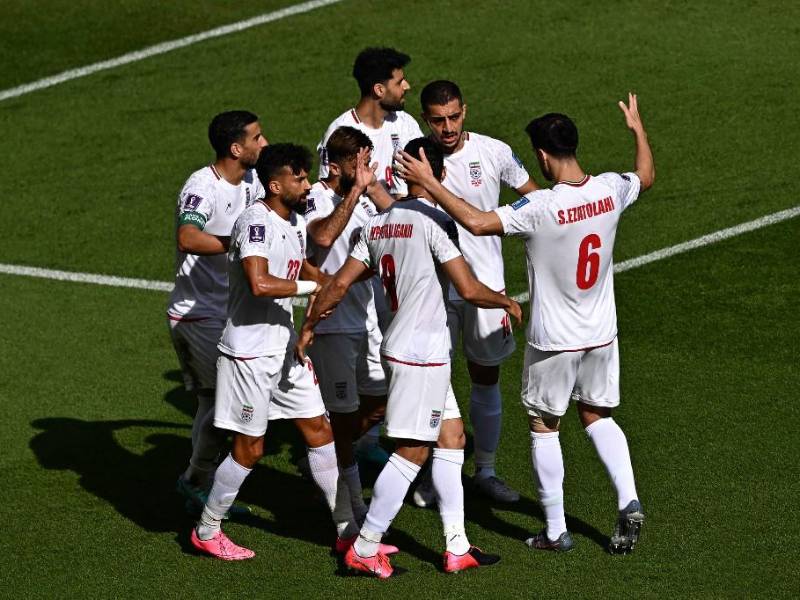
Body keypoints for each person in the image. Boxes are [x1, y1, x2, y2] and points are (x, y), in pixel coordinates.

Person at [395, 94, 654, 554]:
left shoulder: (541, 208)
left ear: (540, 154)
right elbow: (646, 176)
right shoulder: (611, 188)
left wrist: (428, 183)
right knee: (597, 415)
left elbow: (476, 222)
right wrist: (637, 129)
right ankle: (628, 497)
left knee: (543, 425)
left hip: (555, 340)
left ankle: (554, 530)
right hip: (603, 334)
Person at [296, 138, 522, 577]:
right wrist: (505, 302)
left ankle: (456, 545)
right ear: (437, 174)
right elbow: (469, 288)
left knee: (452, 436)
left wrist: (309, 324)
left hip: (402, 346)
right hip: (423, 354)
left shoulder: (376, 225)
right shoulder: (435, 221)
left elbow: (338, 284)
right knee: (413, 452)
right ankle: (366, 545)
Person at [189, 144, 395, 561]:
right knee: (250, 450)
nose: (306, 185)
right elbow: (260, 283)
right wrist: (315, 288)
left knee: (321, 433)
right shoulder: (255, 223)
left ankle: (347, 532)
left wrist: (337, 281)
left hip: (283, 351)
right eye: (298, 179)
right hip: (248, 356)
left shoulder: (294, 221)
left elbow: (301, 267)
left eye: (305, 177)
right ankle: (207, 530)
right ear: (274, 184)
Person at [415, 79, 539, 505]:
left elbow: (535, 199)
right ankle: (435, 473)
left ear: (464, 111)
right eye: (437, 120)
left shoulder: (494, 152)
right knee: (435, 383)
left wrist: (506, 216)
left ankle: (484, 471)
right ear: (426, 119)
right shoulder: (414, 159)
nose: (447, 128)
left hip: (486, 287)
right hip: (432, 291)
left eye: (453, 117)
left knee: (486, 379)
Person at [316, 46, 424, 460]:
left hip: (393, 260)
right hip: (359, 263)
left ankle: (357, 444)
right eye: (400, 81)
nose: (407, 87)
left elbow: (416, 182)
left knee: (389, 366)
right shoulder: (340, 133)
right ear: (379, 89)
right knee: (365, 369)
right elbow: (332, 196)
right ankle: (335, 450)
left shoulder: (405, 123)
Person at [167, 110, 267, 516]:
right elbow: (187, 236)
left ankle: (200, 479)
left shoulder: (253, 180)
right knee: (221, 403)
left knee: (214, 401)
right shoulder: (202, 186)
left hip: (229, 311)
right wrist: (238, 242)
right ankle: (195, 481)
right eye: (257, 137)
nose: (263, 143)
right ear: (235, 147)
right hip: (198, 315)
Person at [305, 126, 389, 526]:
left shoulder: (369, 199)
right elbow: (321, 238)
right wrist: (356, 192)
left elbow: (393, 226)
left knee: (382, 400)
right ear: (336, 166)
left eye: (369, 162)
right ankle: (351, 512)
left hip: (367, 318)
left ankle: (325, 456)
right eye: (360, 163)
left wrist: (369, 190)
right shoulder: (313, 198)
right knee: (342, 418)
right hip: (331, 324)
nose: (367, 170)